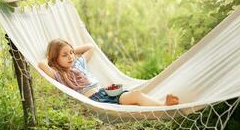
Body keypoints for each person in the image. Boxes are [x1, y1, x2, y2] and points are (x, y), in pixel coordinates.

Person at [38, 38, 179, 106]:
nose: (70, 57)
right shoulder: (59, 75)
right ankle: (163, 106)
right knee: (134, 102)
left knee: (136, 95)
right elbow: (41, 64)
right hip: (96, 100)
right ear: (55, 59)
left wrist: (69, 49)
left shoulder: (78, 65)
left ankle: (163, 105)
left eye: (71, 53)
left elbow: (90, 47)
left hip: (105, 93)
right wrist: (50, 58)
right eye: (64, 55)